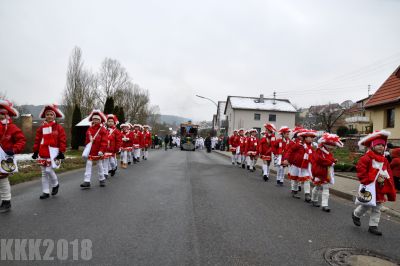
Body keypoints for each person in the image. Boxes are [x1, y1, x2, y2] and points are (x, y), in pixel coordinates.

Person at [352, 130, 397, 235]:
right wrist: (369, 179)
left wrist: (386, 180)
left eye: (383, 145)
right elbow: (361, 171)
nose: (381, 147)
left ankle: (373, 226)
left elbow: (388, 171)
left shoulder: (384, 160)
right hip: (370, 186)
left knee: (377, 208)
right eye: (378, 145)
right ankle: (356, 214)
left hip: (380, 187)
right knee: (366, 205)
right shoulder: (366, 158)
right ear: (372, 146)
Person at [32, 104, 66, 199]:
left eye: (51, 114)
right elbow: (37, 140)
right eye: (47, 114)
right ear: (45, 116)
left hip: (53, 152)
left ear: (54, 116)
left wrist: (61, 151)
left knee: (48, 170)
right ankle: (45, 191)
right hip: (43, 151)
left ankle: (55, 184)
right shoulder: (41, 128)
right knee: (44, 172)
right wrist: (35, 151)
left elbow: (62, 140)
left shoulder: (59, 128)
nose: (49, 116)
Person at [0, 100, 26, 212]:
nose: (0, 116)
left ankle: (6, 201)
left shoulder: (12, 127)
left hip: (5, 157)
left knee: (2, 180)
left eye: (2, 113)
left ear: (7, 115)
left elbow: (21, 140)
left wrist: (14, 149)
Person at [311, 133, 343, 212]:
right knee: (317, 187)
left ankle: (324, 205)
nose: (332, 149)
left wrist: (333, 160)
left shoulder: (328, 152)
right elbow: (319, 160)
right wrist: (330, 162)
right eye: (331, 148)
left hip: (327, 172)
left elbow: (329, 159)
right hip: (319, 172)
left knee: (326, 188)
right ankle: (314, 199)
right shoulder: (319, 151)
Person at [283, 129, 316, 202]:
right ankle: (294, 191)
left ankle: (307, 194)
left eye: (311, 137)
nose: (311, 139)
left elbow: (313, 156)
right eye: (309, 137)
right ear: (304, 138)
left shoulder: (311, 147)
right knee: (295, 179)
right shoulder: (298, 144)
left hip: (305, 166)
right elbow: (290, 151)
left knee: (307, 179)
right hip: (296, 165)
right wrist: (286, 159)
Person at [80, 110, 108, 188]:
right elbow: (86, 139)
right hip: (90, 150)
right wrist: (86, 147)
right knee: (88, 164)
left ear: (100, 120)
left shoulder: (103, 129)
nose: (95, 120)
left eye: (97, 119)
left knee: (99, 165)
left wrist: (102, 150)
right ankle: (87, 181)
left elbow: (104, 141)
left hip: (98, 151)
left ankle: (102, 179)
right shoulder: (89, 129)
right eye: (94, 119)